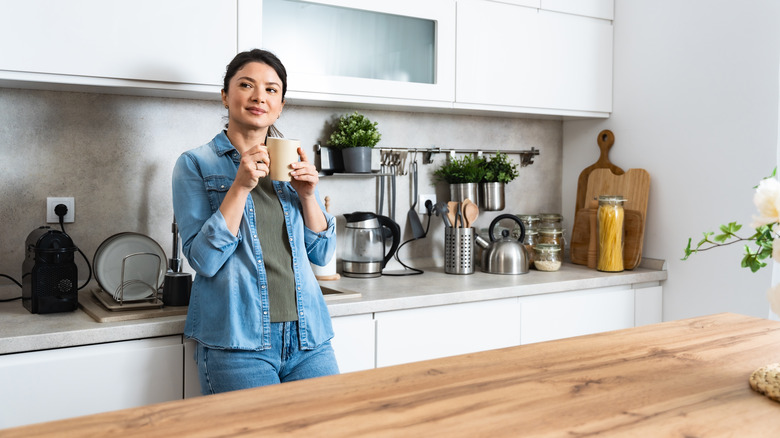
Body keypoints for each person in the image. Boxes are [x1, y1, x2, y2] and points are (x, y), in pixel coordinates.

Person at [172, 49, 339, 394]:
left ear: (280, 105)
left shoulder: (288, 161)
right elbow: (203, 260)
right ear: (225, 95)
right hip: (238, 343)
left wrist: (308, 195)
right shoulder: (195, 164)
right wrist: (241, 186)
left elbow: (321, 254)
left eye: (271, 89)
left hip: (309, 338)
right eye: (246, 84)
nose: (259, 96)